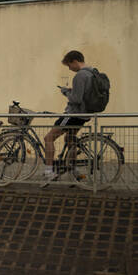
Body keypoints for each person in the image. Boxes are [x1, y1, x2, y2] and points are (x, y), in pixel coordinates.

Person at [44, 50, 96, 180]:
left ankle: (48, 171)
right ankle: (73, 169)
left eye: (69, 65)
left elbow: (76, 99)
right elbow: (83, 94)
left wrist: (66, 92)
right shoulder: (92, 72)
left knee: (48, 138)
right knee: (70, 139)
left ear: (75, 61)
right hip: (84, 115)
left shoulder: (80, 75)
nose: (69, 68)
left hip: (73, 114)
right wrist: (73, 91)